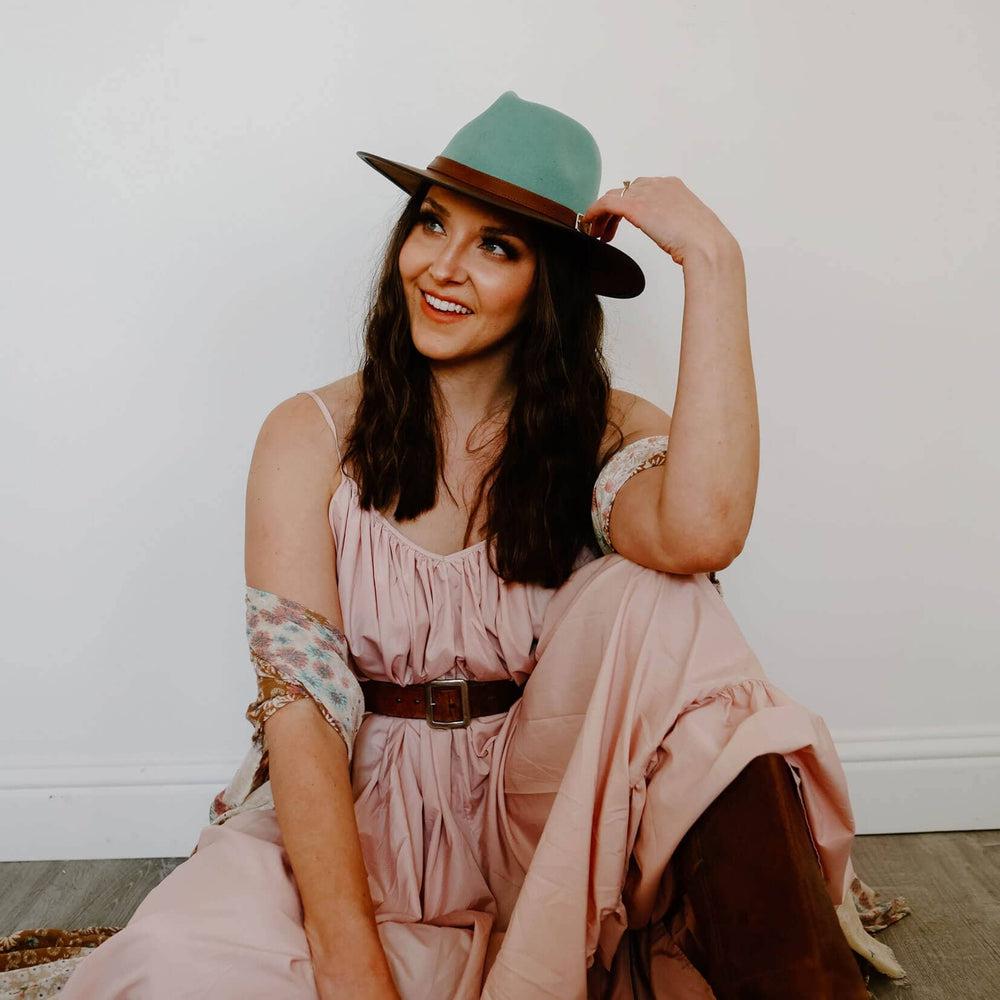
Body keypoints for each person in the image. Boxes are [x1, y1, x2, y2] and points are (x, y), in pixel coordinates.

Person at [57, 90, 911, 999]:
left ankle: (804, 984)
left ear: (552, 284)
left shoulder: (607, 435)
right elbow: (300, 706)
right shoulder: (308, 436)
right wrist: (351, 965)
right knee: (171, 964)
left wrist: (714, 260)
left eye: (495, 246)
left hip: (540, 807)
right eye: (431, 224)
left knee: (666, 594)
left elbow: (704, 534)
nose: (443, 267)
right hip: (355, 806)